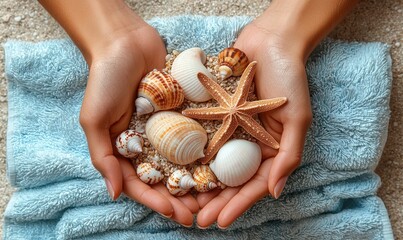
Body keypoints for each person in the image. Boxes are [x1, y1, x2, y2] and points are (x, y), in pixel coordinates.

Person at [39, 0, 358, 229]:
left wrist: (284, 39)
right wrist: (109, 37)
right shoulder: (214, 106)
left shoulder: (231, 108)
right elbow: (204, 103)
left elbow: (221, 106)